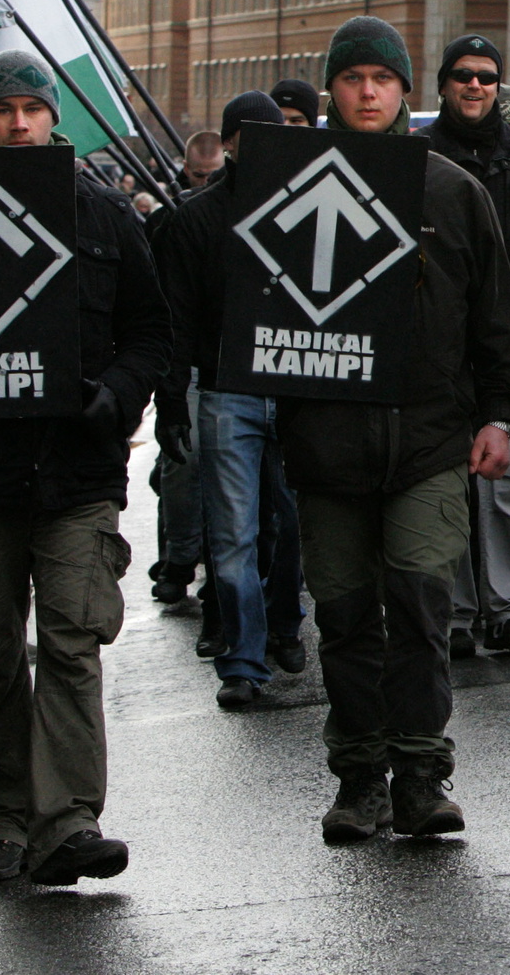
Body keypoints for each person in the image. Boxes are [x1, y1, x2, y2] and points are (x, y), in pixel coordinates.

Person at [0, 50, 171, 887]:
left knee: (71, 640)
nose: (19, 122)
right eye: (3, 110)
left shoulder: (103, 216)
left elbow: (150, 332)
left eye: (33, 107)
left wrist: (119, 397)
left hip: (76, 474)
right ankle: (4, 821)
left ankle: (68, 822)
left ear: (55, 116)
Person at [277, 16, 510, 842]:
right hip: (328, 443)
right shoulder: (289, 186)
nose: (368, 92)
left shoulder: (453, 192)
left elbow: (495, 317)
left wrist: (500, 415)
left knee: (421, 609)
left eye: (382, 79)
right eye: (352, 79)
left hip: (426, 440)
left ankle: (422, 772)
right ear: (332, 91)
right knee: (344, 616)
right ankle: (358, 778)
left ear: (404, 90)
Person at [153, 92, 309, 711]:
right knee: (235, 534)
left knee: (296, 525)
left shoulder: (307, 211)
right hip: (227, 392)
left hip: (299, 389)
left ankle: (286, 626)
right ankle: (243, 660)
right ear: (229, 143)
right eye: (250, 136)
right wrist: (170, 403)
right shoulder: (196, 220)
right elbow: (177, 321)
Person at [420, 34, 510, 655]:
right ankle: (454, 614)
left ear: (499, 86)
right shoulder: (415, 162)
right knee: (445, 477)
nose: (474, 85)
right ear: (443, 86)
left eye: (485, 76)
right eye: (462, 75)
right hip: (440, 343)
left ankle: (508, 607)